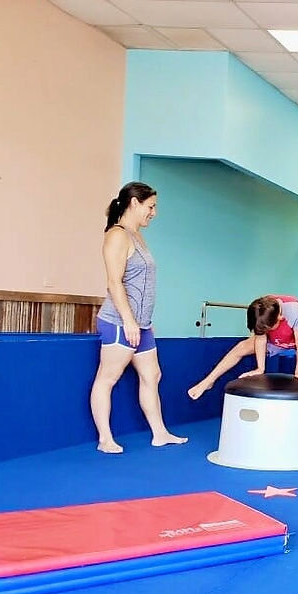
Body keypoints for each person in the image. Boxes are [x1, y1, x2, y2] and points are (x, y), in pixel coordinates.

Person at [89, 181, 188, 454]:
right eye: (151, 206)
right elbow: (114, 282)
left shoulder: (136, 235)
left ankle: (160, 433)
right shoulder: (117, 235)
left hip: (141, 325)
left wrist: (144, 321)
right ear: (134, 203)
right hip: (120, 322)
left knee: (152, 375)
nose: (154, 213)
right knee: (107, 378)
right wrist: (130, 321)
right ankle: (105, 439)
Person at [187, 295, 298, 409]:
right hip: (275, 340)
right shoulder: (261, 311)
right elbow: (261, 339)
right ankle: (208, 381)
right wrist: (260, 368)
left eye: (268, 328)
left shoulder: (293, 309)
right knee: (241, 347)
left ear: (280, 317)